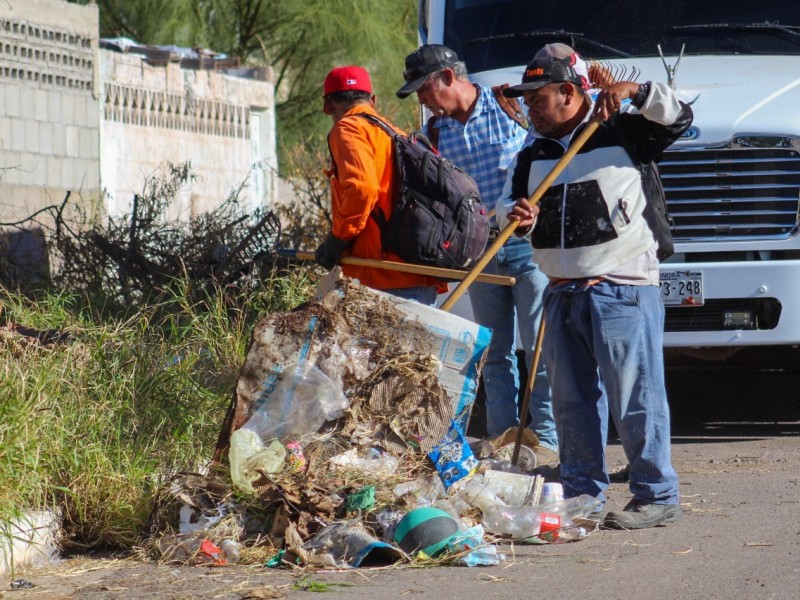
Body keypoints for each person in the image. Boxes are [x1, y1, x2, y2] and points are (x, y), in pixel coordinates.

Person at [497, 53, 693, 528]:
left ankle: (656, 495)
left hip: (621, 288)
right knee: (571, 401)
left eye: (540, 100)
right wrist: (516, 218)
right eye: (527, 101)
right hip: (560, 290)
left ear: (570, 92)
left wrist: (634, 92)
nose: (532, 110)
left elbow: (681, 116)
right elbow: (506, 209)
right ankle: (584, 492)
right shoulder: (532, 154)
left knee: (635, 396)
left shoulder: (625, 131)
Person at [396, 45, 557, 453]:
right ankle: (505, 440)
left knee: (539, 347)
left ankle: (549, 441)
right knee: (495, 352)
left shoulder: (510, 106)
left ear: (449, 77)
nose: (423, 101)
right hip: (480, 255)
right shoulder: (436, 132)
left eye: (425, 90)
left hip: (525, 247)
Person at [315, 65, 445, 305]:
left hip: (383, 277)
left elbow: (362, 188)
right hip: (415, 270)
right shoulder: (394, 132)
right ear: (372, 100)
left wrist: (338, 239)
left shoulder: (347, 129)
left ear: (328, 105)